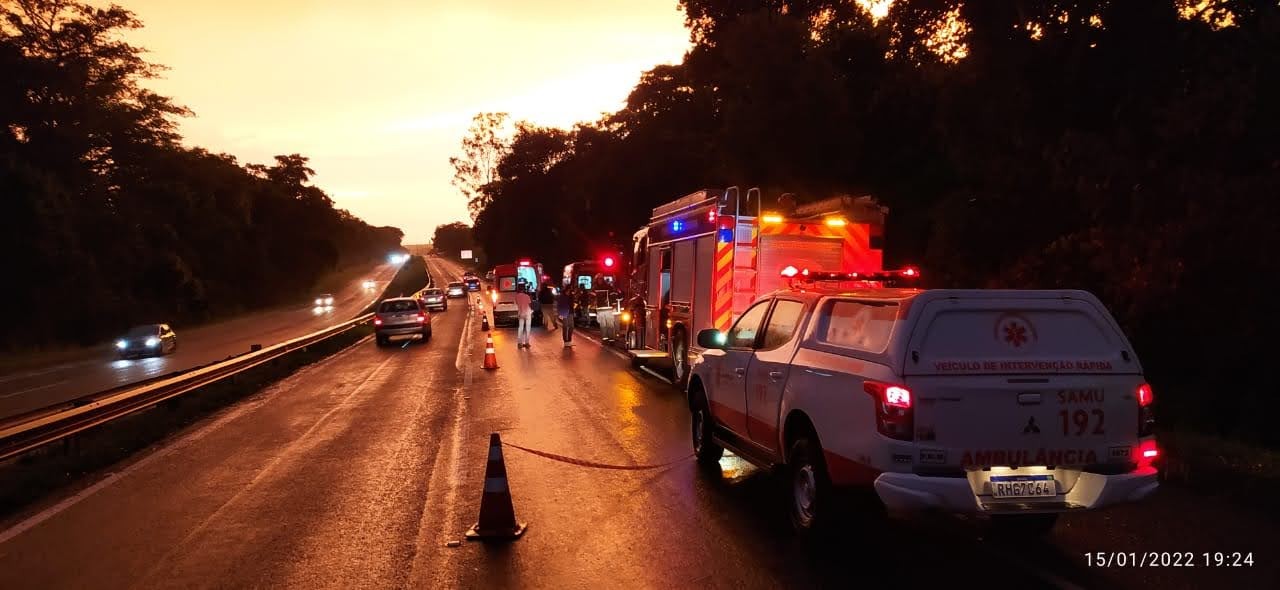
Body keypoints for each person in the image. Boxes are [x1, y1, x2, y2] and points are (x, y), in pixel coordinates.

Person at [515, 282, 533, 349]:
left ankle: (519, 343)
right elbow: (530, 305)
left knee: (520, 328)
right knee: (528, 328)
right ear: (524, 289)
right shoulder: (527, 296)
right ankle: (527, 343)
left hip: (521, 313)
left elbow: (517, 304)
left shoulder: (516, 296)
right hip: (528, 313)